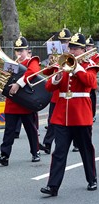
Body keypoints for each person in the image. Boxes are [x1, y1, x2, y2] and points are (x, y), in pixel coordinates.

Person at [40, 32, 98, 196]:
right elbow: (49, 87)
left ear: (83, 49)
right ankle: (53, 186)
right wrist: (57, 78)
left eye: (76, 49)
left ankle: (92, 179)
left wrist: (77, 68)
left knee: (86, 150)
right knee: (59, 151)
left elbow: (91, 83)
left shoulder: (89, 64)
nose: (72, 51)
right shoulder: (63, 63)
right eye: (71, 48)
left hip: (80, 114)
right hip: (62, 115)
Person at [0, 34, 41, 166]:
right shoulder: (12, 63)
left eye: (22, 51)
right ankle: (4, 155)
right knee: (9, 131)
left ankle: (35, 152)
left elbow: (33, 72)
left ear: (28, 51)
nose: (19, 53)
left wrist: (18, 83)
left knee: (31, 129)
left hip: (26, 102)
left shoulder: (32, 61)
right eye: (17, 51)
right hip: (12, 102)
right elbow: (5, 79)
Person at [39, 27, 71, 155]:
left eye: (66, 41)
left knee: (69, 122)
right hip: (55, 94)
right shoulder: (57, 55)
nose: (63, 43)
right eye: (61, 41)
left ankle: (77, 143)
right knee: (51, 120)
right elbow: (46, 72)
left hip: (68, 95)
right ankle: (47, 144)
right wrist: (51, 61)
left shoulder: (71, 56)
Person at [86, 35, 99, 122]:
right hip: (85, 78)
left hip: (93, 79)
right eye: (86, 46)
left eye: (89, 46)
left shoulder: (96, 56)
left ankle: (92, 114)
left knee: (92, 99)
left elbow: (95, 66)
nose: (87, 48)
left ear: (93, 47)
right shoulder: (84, 55)